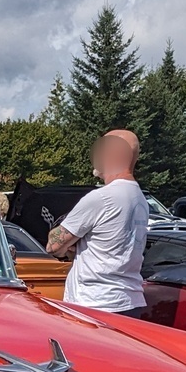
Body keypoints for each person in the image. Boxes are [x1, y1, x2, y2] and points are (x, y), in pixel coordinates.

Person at [44, 131, 150, 318]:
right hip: (129, 301)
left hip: (95, 305)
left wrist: (68, 245)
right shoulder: (140, 199)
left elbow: (53, 245)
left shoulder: (101, 197)